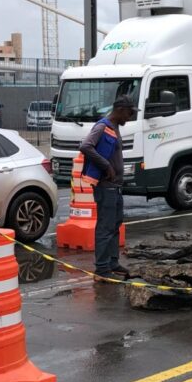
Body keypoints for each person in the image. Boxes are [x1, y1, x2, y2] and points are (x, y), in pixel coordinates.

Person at [79, 95, 136, 280]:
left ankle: (112, 262)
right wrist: (106, 166)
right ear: (120, 110)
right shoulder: (102, 127)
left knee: (115, 225)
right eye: (129, 113)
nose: (130, 117)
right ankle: (102, 269)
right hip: (106, 187)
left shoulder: (115, 127)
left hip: (116, 186)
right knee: (105, 227)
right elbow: (86, 146)